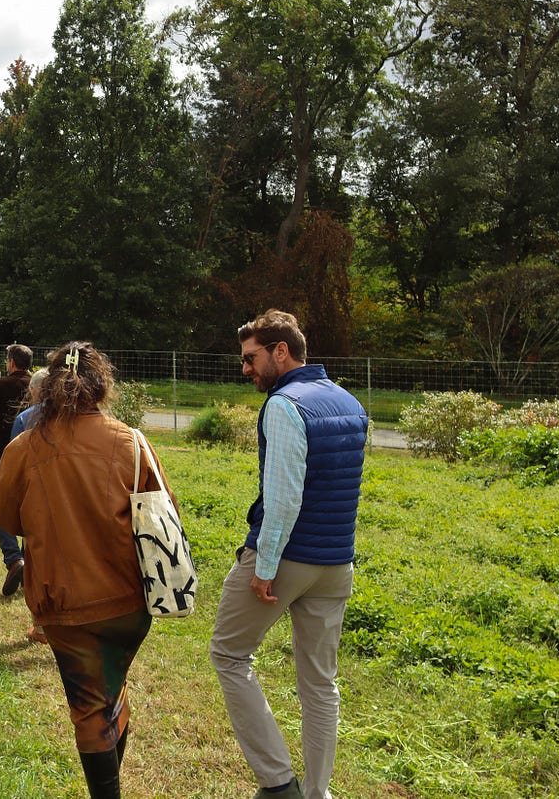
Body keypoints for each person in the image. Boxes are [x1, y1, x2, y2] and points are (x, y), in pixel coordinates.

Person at [0, 342, 165, 799]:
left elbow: (4, 517)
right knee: (110, 689)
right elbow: (165, 514)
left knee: (89, 705)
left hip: (65, 603)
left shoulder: (25, 447)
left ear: (46, 387)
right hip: (130, 600)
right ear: (102, 384)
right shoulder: (132, 440)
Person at [211, 310, 367, 799]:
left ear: (282, 351)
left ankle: (278, 783)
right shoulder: (349, 401)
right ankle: (318, 793)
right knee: (320, 685)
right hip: (336, 562)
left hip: (288, 559)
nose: (246, 369)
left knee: (229, 654)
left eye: (251, 358)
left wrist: (265, 563)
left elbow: (283, 498)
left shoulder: (284, 405)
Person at [0, 343, 33, 596]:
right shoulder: (39, 386)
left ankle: (14, 560)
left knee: (0, 506)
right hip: (36, 459)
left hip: (4, 455)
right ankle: (30, 562)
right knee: (33, 508)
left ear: (11, 362)